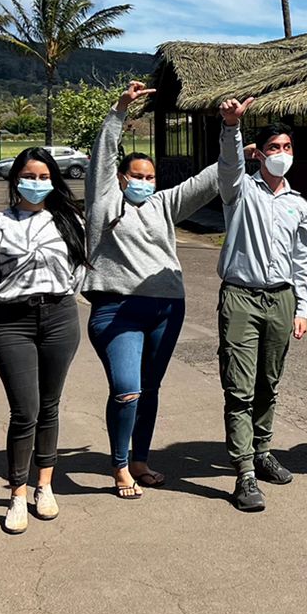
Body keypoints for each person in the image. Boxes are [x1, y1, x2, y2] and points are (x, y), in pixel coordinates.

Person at [84, 81, 224, 498]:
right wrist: (119, 111)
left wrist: (236, 145)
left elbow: (206, 182)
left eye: (150, 176)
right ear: (122, 177)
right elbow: (101, 160)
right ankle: (120, 465)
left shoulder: (163, 204)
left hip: (166, 308)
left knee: (150, 388)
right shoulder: (105, 202)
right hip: (117, 308)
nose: (143, 181)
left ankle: (140, 458)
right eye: (136, 175)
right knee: (127, 388)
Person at [0, 148, 87, 534]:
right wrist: (12, 308)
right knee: (25, 410)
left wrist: (53, 300)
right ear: (15, 179)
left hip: (59, 317)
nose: (36, 183)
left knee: (50, 406)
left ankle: (45, 486)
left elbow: (77, 273)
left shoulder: (69, 220)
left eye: (43, 177)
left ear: (54, 180)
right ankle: (17, 493)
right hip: (13, 322)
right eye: (29, 176)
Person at [217, 101, 307, 512]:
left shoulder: (299, 204)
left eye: (287, 146)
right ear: (259, 153)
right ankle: (243, 473)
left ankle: (261, 450)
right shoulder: (240, 192)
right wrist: (232, 127)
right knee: (239, 387)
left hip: (281, 298)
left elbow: (304, 259)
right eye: (273, 147)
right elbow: (228, 165)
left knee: (268, 384)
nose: (281, 153)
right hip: (241, 296)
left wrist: (302, 306)